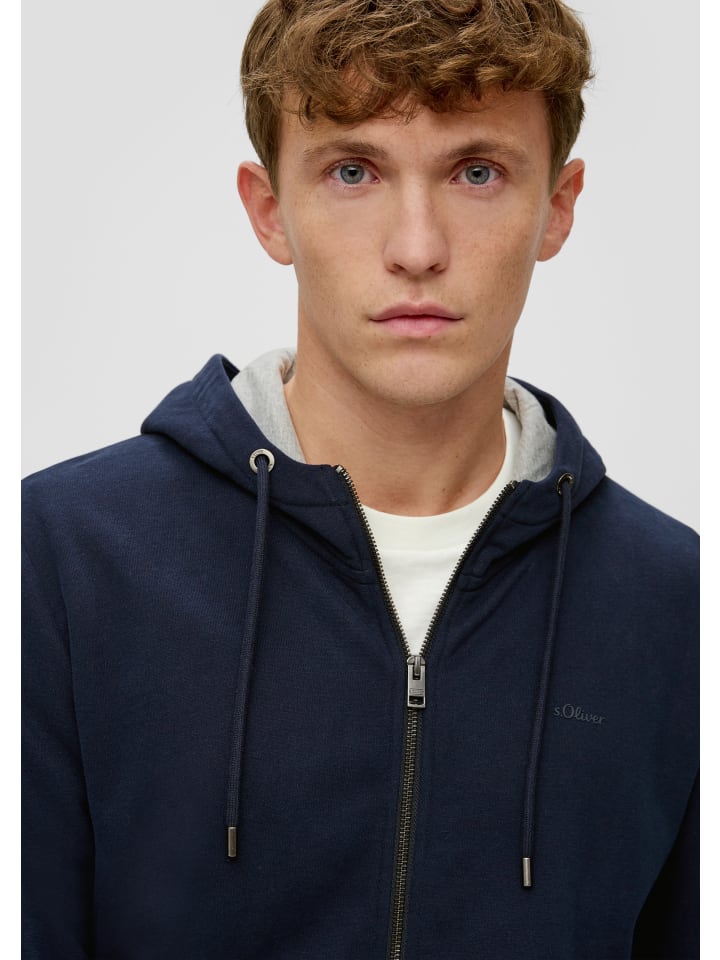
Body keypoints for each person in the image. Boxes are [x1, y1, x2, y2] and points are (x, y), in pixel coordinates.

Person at [22, 1, 698, 957]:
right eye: (353, 171)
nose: (416, 248)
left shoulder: (679, 604)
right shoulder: (59, 558)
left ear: (558, 205)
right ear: (269, 210)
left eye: (477, 172)